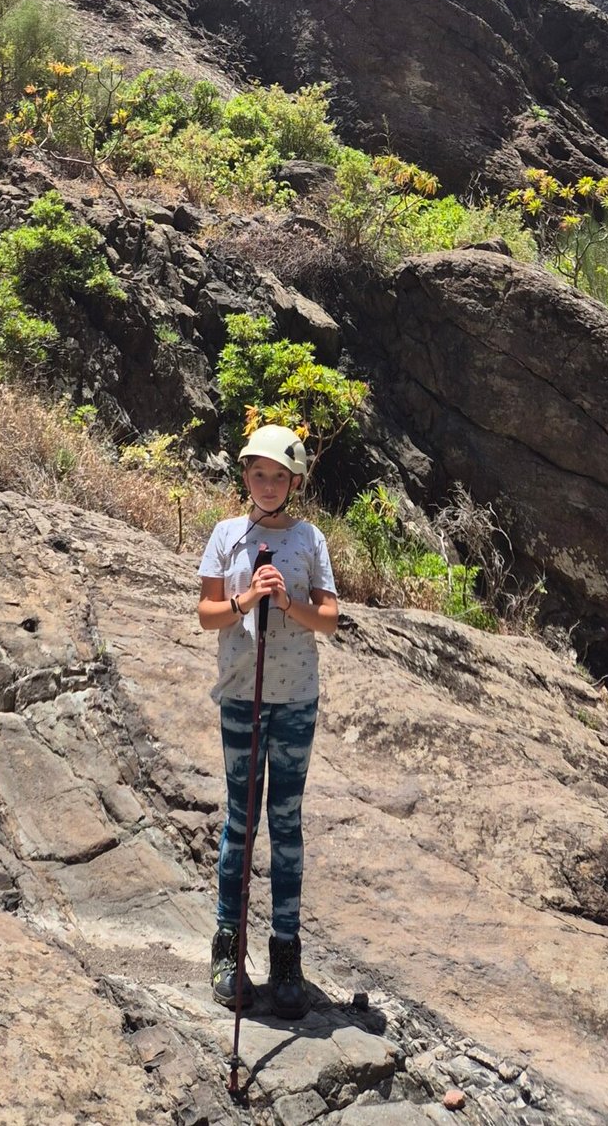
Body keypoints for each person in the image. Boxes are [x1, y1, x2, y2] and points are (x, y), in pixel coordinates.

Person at [197, 423, 339, 1020]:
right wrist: (248, 600)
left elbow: (329, 619)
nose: (269, 484)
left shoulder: (310, 540)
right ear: (246, 477)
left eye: (279, 476)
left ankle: (286, 955)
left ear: (296, 481)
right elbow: (206, 614)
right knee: (240, 820)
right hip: (241, 696)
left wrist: (287, 603)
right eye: (259, 473)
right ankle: (228, 950)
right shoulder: (227, 535)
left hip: (295, 698)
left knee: (286, 824)